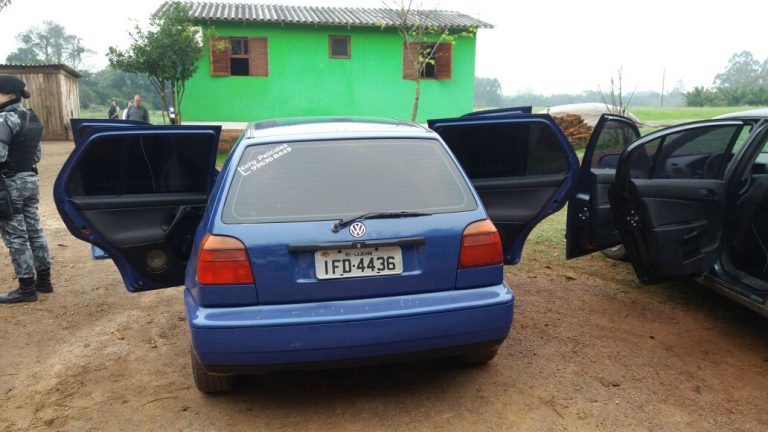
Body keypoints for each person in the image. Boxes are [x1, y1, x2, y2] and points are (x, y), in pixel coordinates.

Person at [0, 75, 53, 303]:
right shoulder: (31, 117)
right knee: (34, 231)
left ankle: (26, 288)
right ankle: (44, 281)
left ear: (7, 94)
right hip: (30, 180)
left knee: (16, 236)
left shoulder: (4, 118)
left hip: (9, 184)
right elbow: (36, 155)